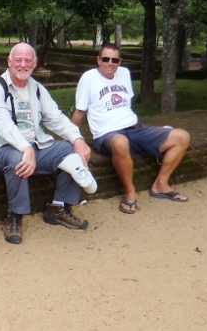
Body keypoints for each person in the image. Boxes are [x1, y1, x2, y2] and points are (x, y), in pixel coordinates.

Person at [0, 42, 97, 244]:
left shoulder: (36, 88)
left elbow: (56, 118)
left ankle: (58, 207)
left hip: (34, 147)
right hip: (1, 150)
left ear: (35, 63)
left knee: (71, 150)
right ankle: (15, 215)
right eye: (18, 60)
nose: (23, 64)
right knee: (18, 157)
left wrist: (78, 139)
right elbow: (3, 125)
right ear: (9, 62)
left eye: (28, 60)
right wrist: (26, 148)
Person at [71, 43, 190, 213]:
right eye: (105, 59)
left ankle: (160, 184)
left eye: (114, 60)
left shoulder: (124, 73)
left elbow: (125, 105)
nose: (110, 63)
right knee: (120, 142)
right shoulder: (88, 78)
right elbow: (80, 112)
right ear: (98, 60)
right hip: (106, 135)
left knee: (182, 136)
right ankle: (129, 190)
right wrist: (71, 137)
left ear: (120, 61)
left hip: (134, 129)